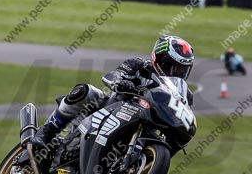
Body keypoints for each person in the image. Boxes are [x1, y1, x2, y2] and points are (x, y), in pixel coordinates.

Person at [31, 35, 195, 153]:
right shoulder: (139, 65)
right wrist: (121, 82)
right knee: (85, 91)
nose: (176, 72)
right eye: (170, 66)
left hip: (145, 122)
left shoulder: (185, 95)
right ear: (157, 59)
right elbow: (113, 75)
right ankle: (46, 131)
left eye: (182, 69)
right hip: (110, 109)